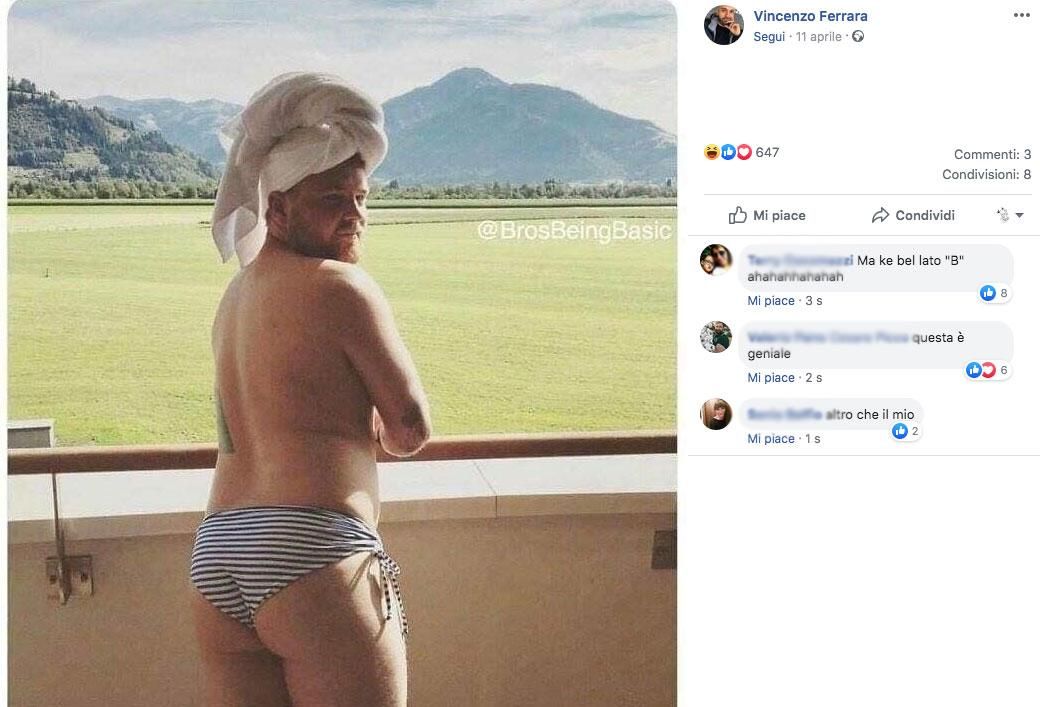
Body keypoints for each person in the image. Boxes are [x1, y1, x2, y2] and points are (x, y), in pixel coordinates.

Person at [188, 72, 430, 707]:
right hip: (314, 548)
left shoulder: (233, 298)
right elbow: (410, 427)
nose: (355, 215)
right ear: (277, 209)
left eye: (361, 197)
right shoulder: (342, 287)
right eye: (332, 199)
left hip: (219, 551)